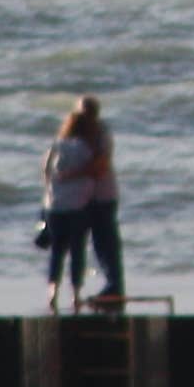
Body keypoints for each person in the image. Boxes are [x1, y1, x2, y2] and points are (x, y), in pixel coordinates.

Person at [37, 102, 103, 308]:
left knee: (57, 250)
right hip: (78, 205)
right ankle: (75, 293)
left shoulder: (57, 144)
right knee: (77, 250)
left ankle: (52, 291)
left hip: (54, 206)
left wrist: (52, 190)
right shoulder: (86, 147)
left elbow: (45, 171)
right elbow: (92, 172)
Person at [74, 95, 125, 308]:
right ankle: (102, 284)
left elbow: (101, 166)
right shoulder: (76, 133)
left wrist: (71, 174)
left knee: (106, 241)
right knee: (92, 242)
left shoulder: (102, 133)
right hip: (84, 196)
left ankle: (114, 285)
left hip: (103, 195)